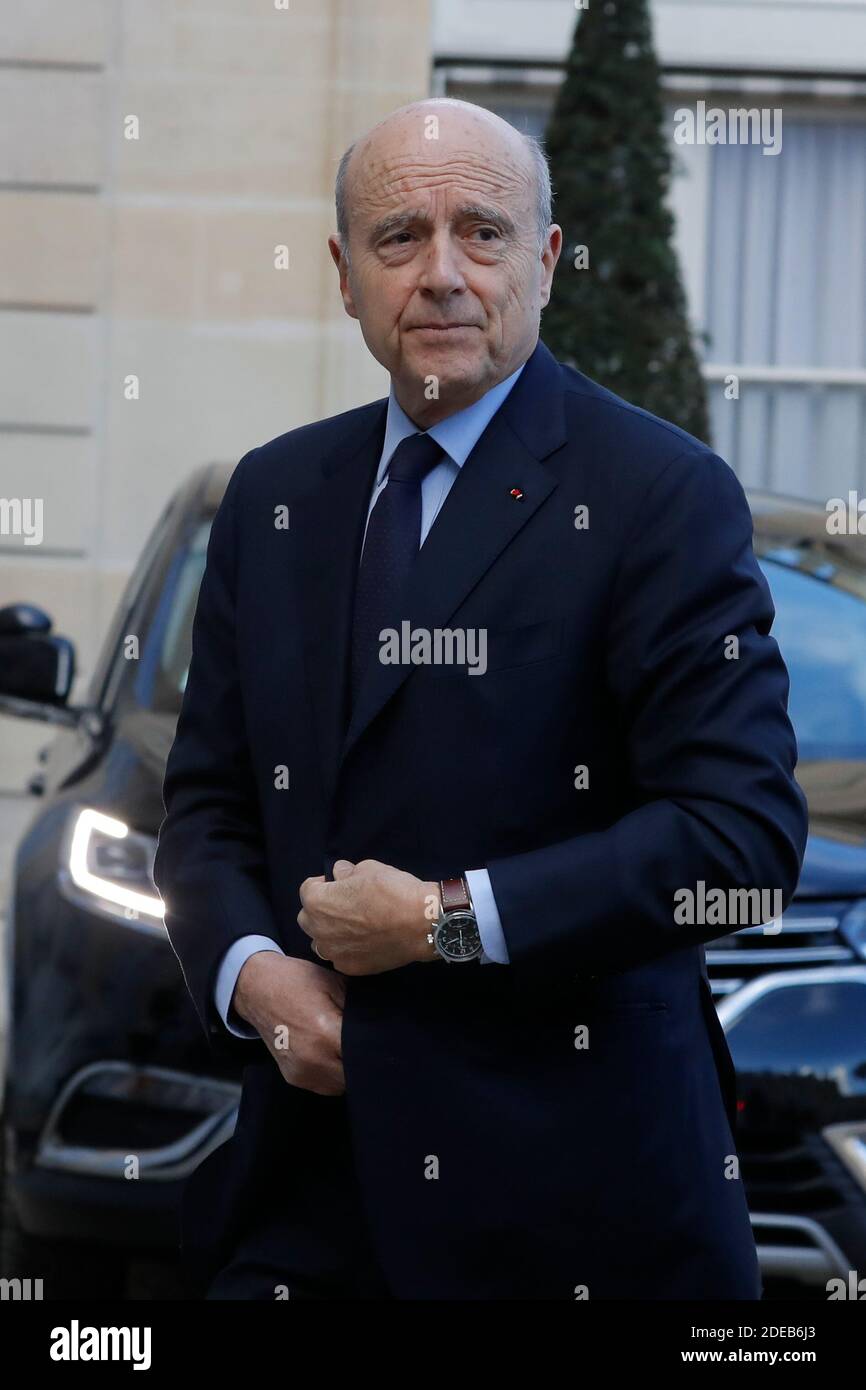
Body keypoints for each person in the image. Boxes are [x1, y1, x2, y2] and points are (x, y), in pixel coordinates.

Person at [153, 97, 808, 1300]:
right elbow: (205, 804)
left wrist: (441, 919)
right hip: (308, 1192)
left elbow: (740, 837)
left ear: (546, 262)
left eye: (484, 233)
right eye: (401, 238)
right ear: (346, 277)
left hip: (574, 1204)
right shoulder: (274, 494)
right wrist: (252, 973)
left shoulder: (658, 495)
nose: (443, 275)